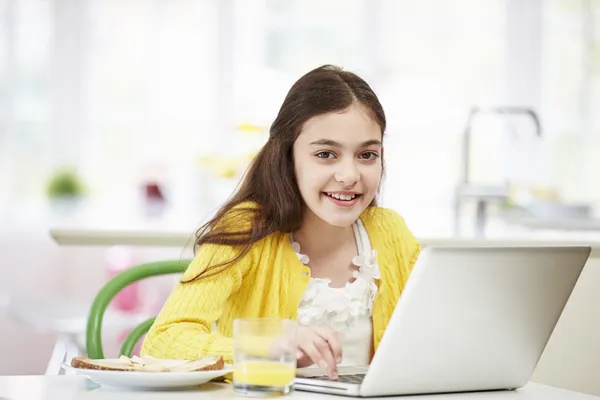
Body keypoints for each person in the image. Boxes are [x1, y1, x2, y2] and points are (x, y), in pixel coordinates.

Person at [141, 64, 421, 379]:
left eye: (367, 155)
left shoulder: (390, 230)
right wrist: (273, 346)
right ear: (286, 156)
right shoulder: (245, 229)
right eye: (326, 154)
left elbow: (433, 335)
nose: (349, 176)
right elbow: (163, 341)